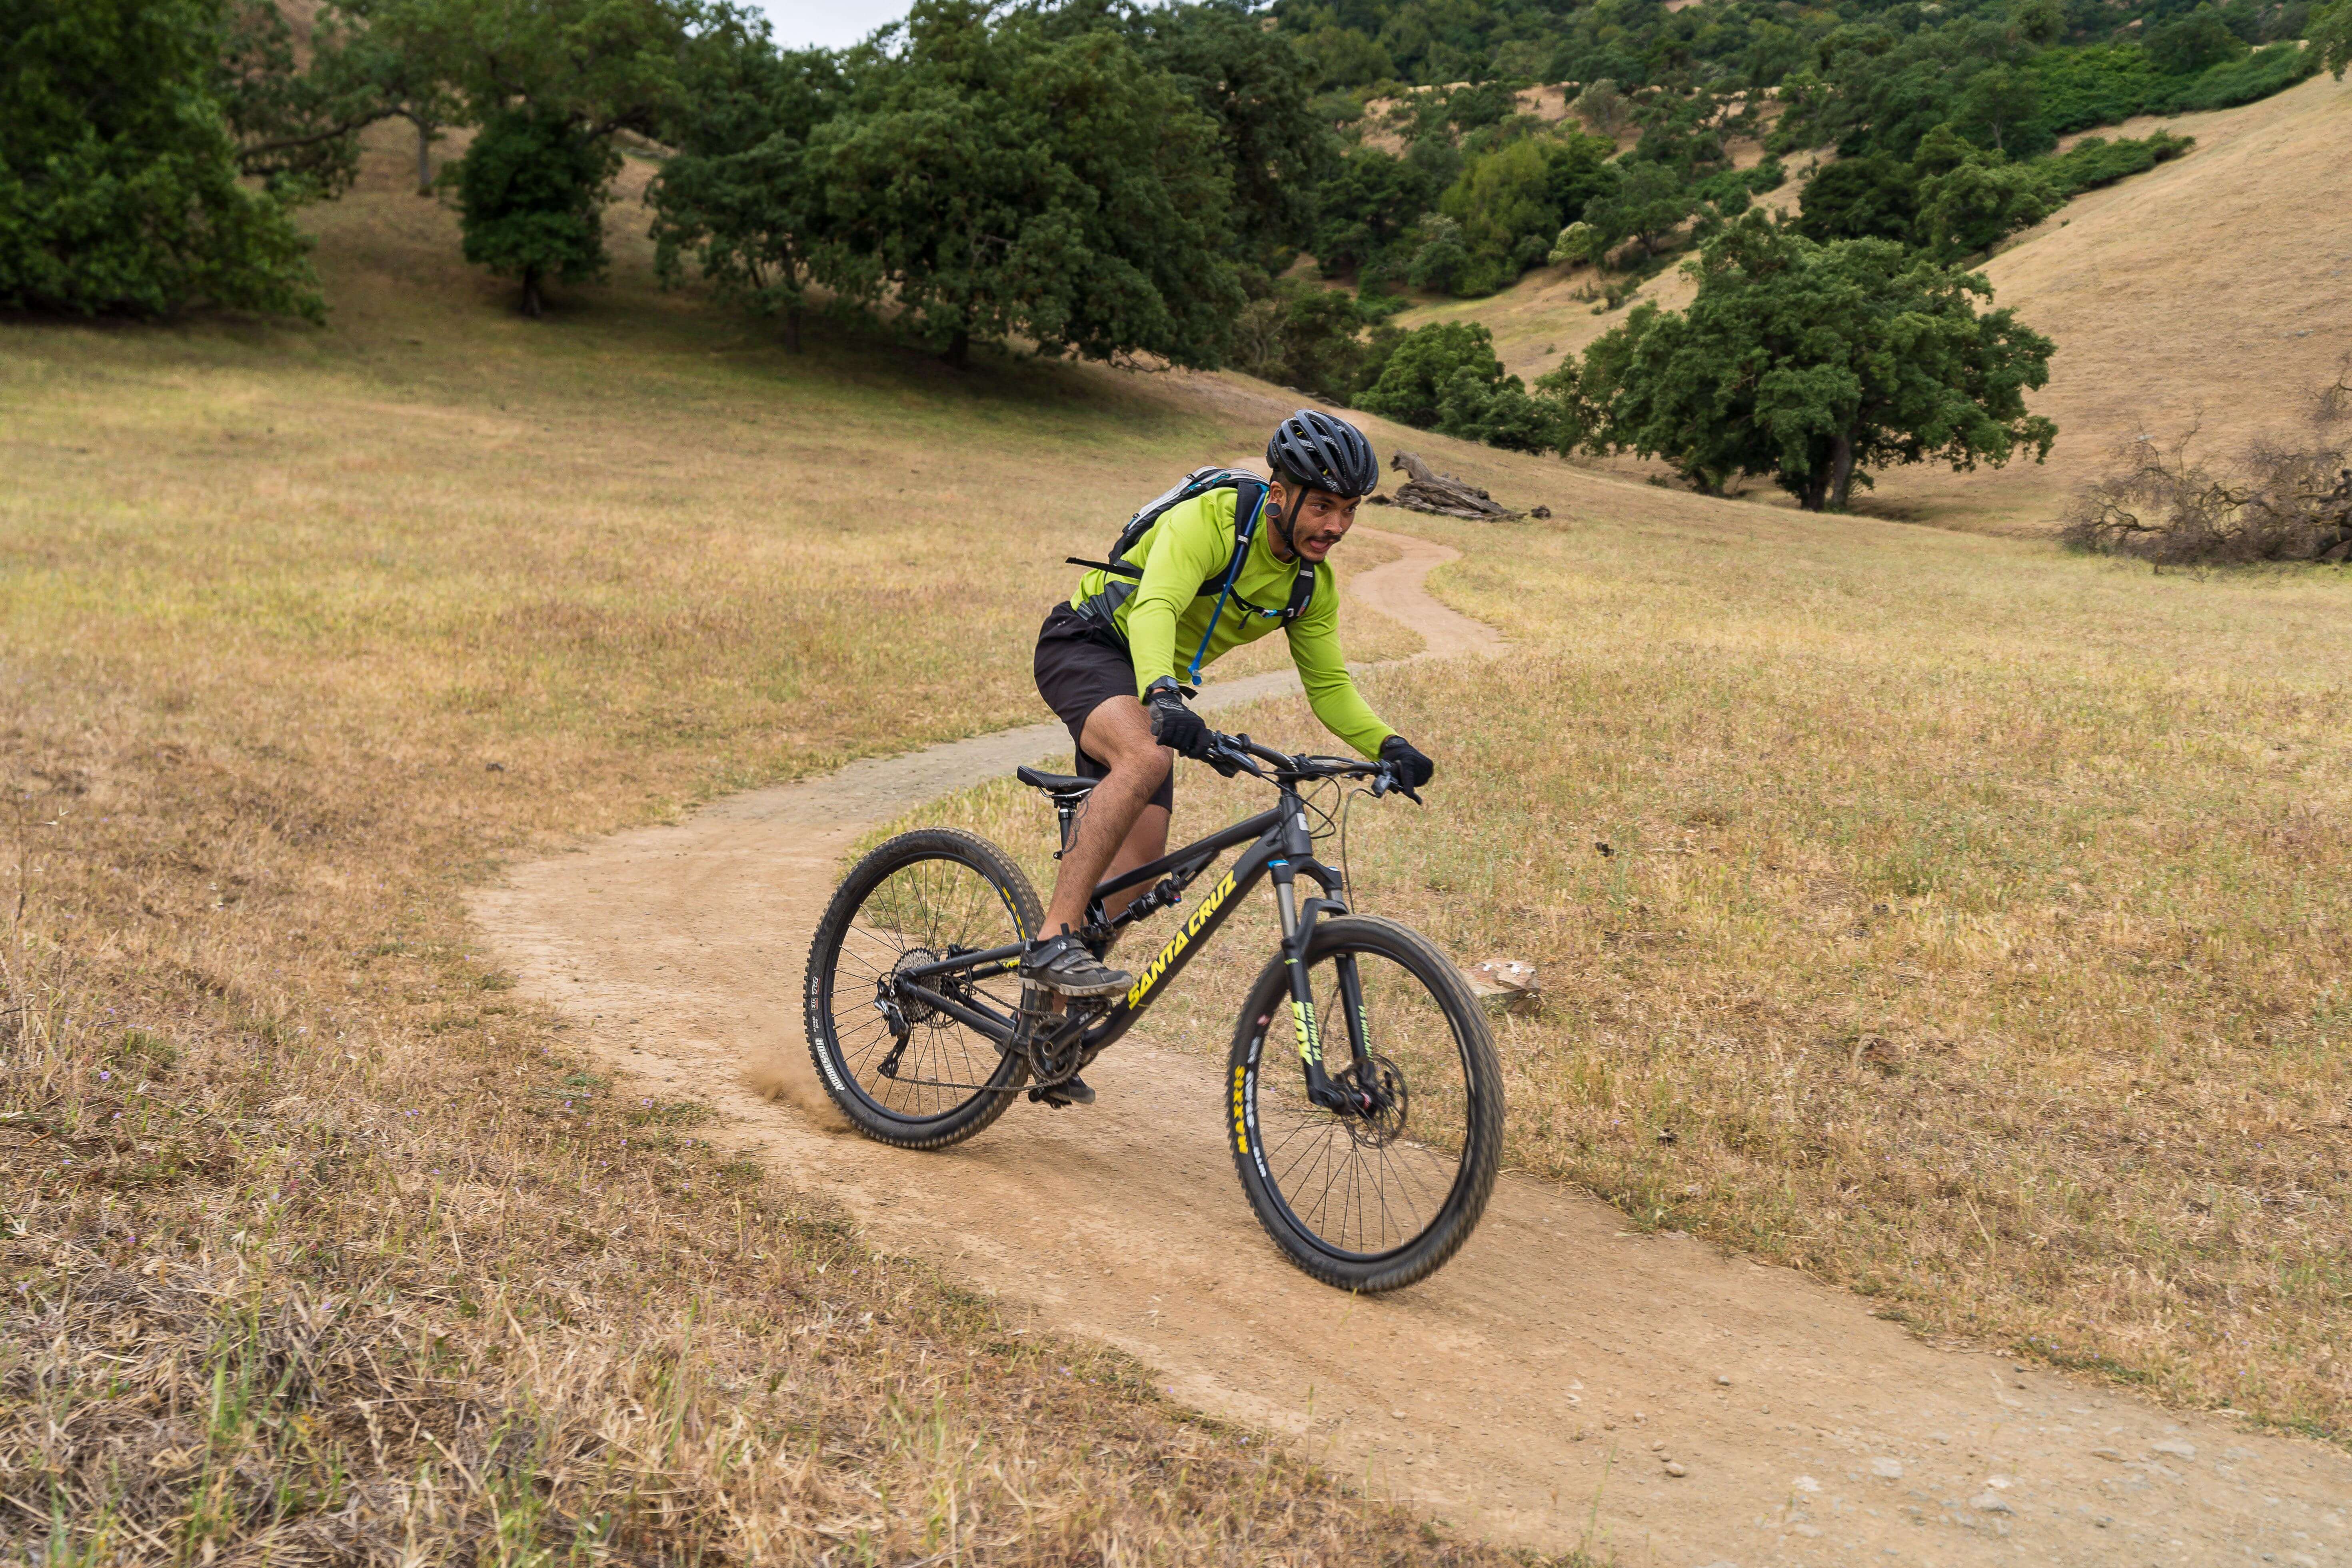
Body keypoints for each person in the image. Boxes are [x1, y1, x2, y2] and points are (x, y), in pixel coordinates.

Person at [1020, 409, 1437, 1103]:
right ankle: (1051, 941)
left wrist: (1389, 745)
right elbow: (1155, 605)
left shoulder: (1309, 586)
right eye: (1324, 506)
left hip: (1155, 688)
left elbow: (1330, 687)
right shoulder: (1212, 522)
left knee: (1137, 874)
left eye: (1349, 511)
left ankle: (1049, 1026)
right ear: (1280, 493)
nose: (1335, 526)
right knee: (1148, 758)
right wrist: (1162, 694)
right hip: (1092, 643)